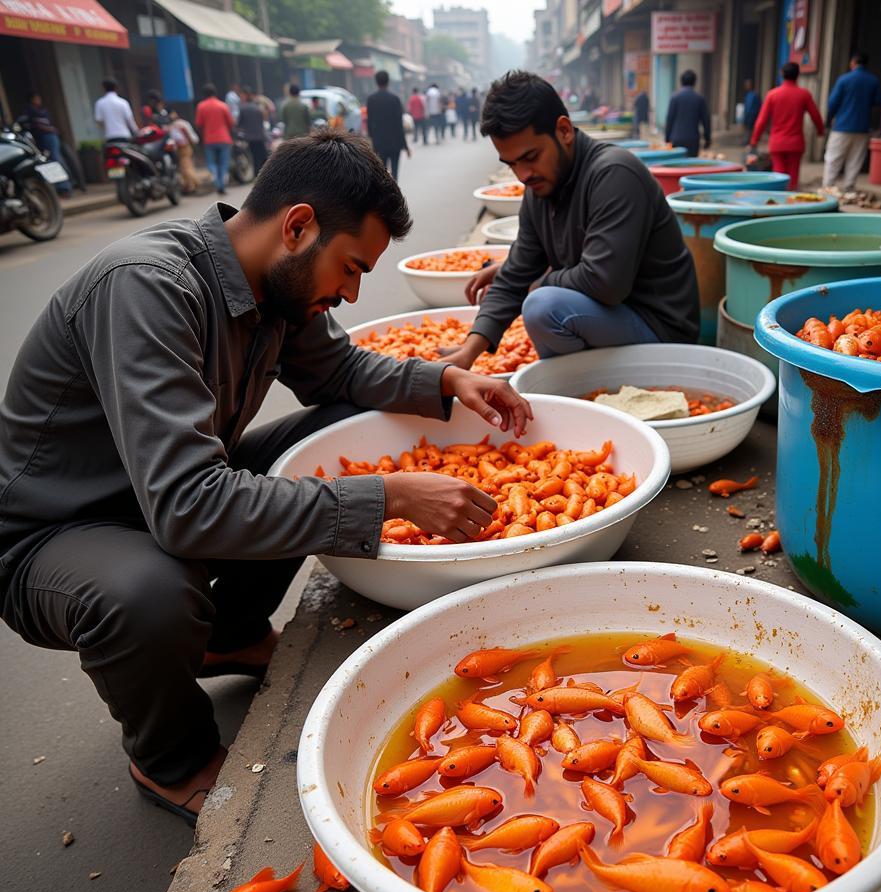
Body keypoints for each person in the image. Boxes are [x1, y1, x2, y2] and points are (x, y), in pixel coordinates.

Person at [0, 129, 531, 828]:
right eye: (349, 267)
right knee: (148, 593)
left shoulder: (277, 292)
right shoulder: (147, 288)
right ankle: (171, 759)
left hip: (165, 497)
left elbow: (340, 374)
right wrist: (390, 497)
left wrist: (448, 380)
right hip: (59, 535)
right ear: (298, 226)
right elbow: (188, 508)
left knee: (329, 428)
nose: (350, 292)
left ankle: (231, 629)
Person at [441, 71, 699, 365]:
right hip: (610, 319)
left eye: (531, 157)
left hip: (660, 330)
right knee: (538, 298)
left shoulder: (614, 175)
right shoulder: (539, 189)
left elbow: (604, 282)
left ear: (563, 131)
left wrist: (538, 283)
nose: (522, 175)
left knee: (542, 307)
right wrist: (469, 350)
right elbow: (516, 273)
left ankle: (583, 392)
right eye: (511, 164)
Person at [750, 62, 824, 191]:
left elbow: (761, 120)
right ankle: (792, 203)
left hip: (777, 143)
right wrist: (820, 131)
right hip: (796, 143)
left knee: (779, 177)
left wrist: (754, 140)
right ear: (798, 75)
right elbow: (816, 116)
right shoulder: (804, 94)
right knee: (792, 179)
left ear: (782, 74)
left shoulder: (772, 94)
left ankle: (779, 204)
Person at [823, 53, 881, 193]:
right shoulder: (873, 80)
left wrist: (829, 119)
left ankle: (828, 186)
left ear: (853, 62)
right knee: (855, 159)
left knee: (833, 157)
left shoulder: (844, 79)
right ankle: (849, 187)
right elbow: (878, 101)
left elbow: (832, 103)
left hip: (842, 126)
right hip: (862, 126)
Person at [21, 92, 72, 196]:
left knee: (55, 160)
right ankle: (61, 187)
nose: (39, 100)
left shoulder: (38, 110)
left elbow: (40, 123)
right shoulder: (31, 110)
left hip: (48, 137)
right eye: (37, 98)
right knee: (52, 161)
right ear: (32, 99)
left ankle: (64, 187)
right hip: (43, 138)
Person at [366, 70, 411, 179]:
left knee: (382, 173)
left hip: (379, 143)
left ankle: (386, 194)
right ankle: (395, 193)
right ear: (388, 82)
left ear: (376, 82)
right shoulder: (395, 99)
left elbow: (369, 122)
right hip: (395, 142)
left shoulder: (371, 100)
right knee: (395, 173)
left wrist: (372, 139)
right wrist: (405, 145)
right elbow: (399, 124)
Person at [194, 82, 234, 196]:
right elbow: (231, 123)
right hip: (224, 139)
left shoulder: (201, 106)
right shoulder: (222, 105)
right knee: (223, 162)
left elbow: (198, 124)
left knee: (211, 163)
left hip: (209, 139)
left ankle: (216, 178)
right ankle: (222, 184)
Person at [664, 70, 710, 157]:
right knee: (691, 167)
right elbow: (706, 120)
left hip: (676, 139)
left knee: (677, 167)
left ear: (681, 81)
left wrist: (667, 138)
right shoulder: (699, 99)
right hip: (693, 140)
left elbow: (669, 119)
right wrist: (707, 139)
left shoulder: (675, 98)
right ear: (694, 82)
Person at [238, 86, 269, 174]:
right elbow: (263, 119)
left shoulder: (243, 108)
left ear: (245, 95)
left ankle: (257, 174)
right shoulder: (257, 107)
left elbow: (239, 124)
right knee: (263, 155)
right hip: (260, 135)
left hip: (250, 137)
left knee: (255, 156)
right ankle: (266, 172)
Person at [168, 111, 200, 194]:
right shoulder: (184, 123)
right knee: (187, 165)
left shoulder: (173, 126)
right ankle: (190, 184)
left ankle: (193, 184)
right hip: (187, 146)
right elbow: (193, 136)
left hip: (182, 148)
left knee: (185, 167)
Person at [741, 79, 762, 144]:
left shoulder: (752, 95)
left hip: (751, 118)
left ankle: (748, 144)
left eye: (747, 85)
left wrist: (745, 118)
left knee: (748, 132)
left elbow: (748, 108)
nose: (746, 86)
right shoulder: (753, 95)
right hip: (752, 117)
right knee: (749, 132)